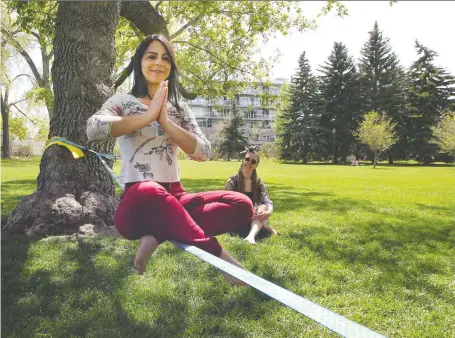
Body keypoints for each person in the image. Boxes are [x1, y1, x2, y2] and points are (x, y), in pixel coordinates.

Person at [86, 34, 253, 285]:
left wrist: (166, 121)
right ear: (139, 62)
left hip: (176, 196)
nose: (158, 63)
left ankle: (155, 235)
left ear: (171, 67)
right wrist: (148, 115)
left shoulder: (179, 107)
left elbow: (204, 151)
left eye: (165, 58)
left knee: (242, 204)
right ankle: (225, 263)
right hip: (137, 204)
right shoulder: (122, 101)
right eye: (151, 56)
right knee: (149, 189)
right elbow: (94, 129)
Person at [225, 147, 278, 245]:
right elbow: (228, 206)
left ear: (256, 165)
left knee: (263, 207)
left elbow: (267, 201)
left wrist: (269, 211)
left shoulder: (258, 182)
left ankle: (251, 236)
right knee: (255, 218)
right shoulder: (233, 182)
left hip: (254, 217)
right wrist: (247, 213)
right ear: (243, 160)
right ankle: (266, 228)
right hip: (237, 217)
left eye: (253, 161)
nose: (249, 163)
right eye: (247, 159)